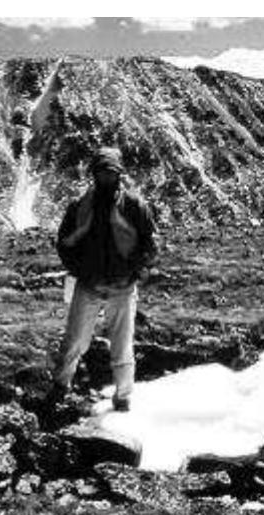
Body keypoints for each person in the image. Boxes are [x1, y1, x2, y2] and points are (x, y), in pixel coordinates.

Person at [44, 147, 159, 413]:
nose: (107, 178)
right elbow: (64, 244)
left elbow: (151, 245)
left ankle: (123, 396)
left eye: (111, 174)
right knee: (75, 340)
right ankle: (62, 386)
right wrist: (79, 269)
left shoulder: (133, 206)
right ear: (94, 175)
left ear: (119, 175)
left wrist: (135, 270)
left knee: (121, 346)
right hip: (92, 284)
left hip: (120, 286)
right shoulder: (81, 207)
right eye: (102, 173)